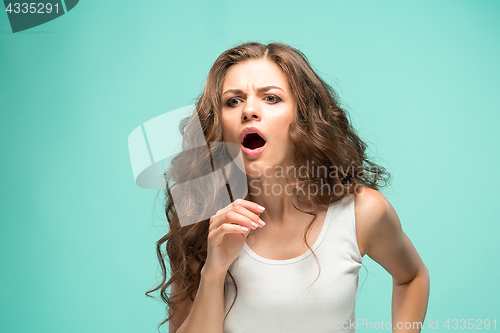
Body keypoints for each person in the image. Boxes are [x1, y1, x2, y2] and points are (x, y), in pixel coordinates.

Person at [146, 42, 430, 333]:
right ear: (219, 124)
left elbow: (412, 277)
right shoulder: (202, 222)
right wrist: (214, 271)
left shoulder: (361, 211)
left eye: (271, 98)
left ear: (303, 116)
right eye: (233, 101)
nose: (249, 110)